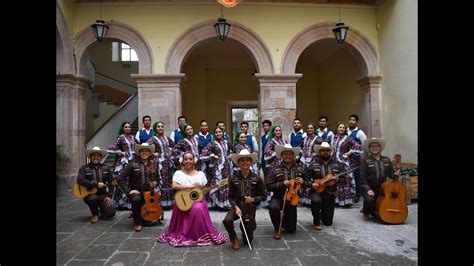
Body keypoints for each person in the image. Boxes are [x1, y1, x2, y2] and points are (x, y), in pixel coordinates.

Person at [157, 152, 227, 247]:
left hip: (197, 200)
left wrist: (214, 187)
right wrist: (191, 186)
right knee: (193, 207)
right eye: (186, 159)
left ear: (194, 161)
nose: (188, 161)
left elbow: (202, 191)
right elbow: (174, 186)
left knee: (198, 208)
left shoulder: (201, 174)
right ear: (182, 161)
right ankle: (186, 233)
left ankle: (198, 234)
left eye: (190, 159)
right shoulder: (179, 173)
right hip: (183, 200)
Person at [223, 149, 266, 250]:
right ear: (238, 162)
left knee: (247, 241)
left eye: (247, 160)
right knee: (227, 220)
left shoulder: (257, 178)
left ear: (251, 162)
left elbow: (264, 196)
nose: (245, 162)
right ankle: (234, 238)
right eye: (242, 160)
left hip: (250, 208)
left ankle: (246, 230)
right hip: (238, 206)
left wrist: (253, 199)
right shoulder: (233, 178)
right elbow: (230, 197)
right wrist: (235, 207)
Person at [266, 144, 304, 239]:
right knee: (273, 207)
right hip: (278, 197)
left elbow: (308, 182)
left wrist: (303, 182)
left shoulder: (299, 168)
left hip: (292, 199)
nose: (288, 156)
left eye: (290, 154)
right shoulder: (274, 168)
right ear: (281, 156)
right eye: (285, 154)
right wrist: (281, 183)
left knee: (291, 230)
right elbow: (268, 186)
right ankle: (276, 227)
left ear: (293, 156)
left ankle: (284, 219)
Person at [117, 143, 158, 232]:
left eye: (147, 151)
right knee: (136, 200)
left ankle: (136, 212)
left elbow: (157, 178)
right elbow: (120, 178)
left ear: (150, 153)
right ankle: (137, 223)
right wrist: (129, 191)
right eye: (142, 151)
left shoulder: (153, 165)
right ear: (139, 153)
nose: (145, 153)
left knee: (149, 220)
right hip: (136, 192)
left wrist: (155, 183)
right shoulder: (132, 164)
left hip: (148, 193)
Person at [304, 142, 345, 230]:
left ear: (330, 152)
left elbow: (345, 179)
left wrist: (338, 180)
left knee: (328, 222)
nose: (325, 152)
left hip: (330, 192)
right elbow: (305, 179)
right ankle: (316, 220)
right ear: (319, 152)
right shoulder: (313, 165)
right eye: (323, 151)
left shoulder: (337, 165)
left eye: (327, 150)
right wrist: (311, 184)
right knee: (316, 201)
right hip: (316, 191)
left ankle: (324, 213)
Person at [360, 138, 400, 221]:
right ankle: (365, 211)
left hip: (382, 188)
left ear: (380, 148)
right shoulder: (366, 161)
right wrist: (368, 190)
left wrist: (395, 174)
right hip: (370, 188)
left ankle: (372, 208)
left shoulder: (386, 159)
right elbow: (362, 177)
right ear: (369, 148)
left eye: (376, 146)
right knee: (369, 200)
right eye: (372, 146)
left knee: (381, 211)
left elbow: (391, 174)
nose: (374, 148)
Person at [77, 146, 116, 223]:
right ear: (90, 157)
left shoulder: (106, 168)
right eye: (93, 155)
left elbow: (113, 182)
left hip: (102, 195)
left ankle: (101, 208)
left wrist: (109, 196)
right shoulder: (84, 168)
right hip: (89, 195)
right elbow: (80, 180)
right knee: (93, 199)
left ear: (100, 157)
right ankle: (95, 214)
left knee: (111, 213)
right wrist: (96, 184)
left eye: (98, 156)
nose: (95, 157)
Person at [200, 127, 233, 209]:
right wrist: (212, 155)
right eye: (216, 132)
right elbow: (204, 152)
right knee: (218, 182)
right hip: (217, 167)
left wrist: (229, 157)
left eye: (220, 132)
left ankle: (225, 202)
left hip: (226, 166)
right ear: (214, 134)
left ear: (223, 132)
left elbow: (231, 150)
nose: (218, 133)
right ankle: (217, 202)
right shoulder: (212, 143)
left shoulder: (226, 142)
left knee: (225, 183)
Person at [331, 122, 362, 207]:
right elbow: (324, 145)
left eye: (343, 128)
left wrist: (349, 152)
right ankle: (334, 200)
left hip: (342, 162)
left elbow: (357, 145)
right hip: (332, 161)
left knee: (343, 180)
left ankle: (344, 201)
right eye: (340, 127)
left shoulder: (347, 138)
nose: (341, 129)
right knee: (333, 180)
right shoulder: (331, 137)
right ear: (337, 128)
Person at [107, 121, 137, 209]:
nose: (128, 128)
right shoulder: (121, 137)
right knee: (123, 180)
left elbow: (139, 146)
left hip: (133, 160)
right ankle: (121, 202)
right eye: (126, 127)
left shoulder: (133, 137)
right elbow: (112, 147)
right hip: (124, 161)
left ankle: (130, 202)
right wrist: (121, 152)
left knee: (131, 180)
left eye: (129, 127)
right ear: (123, 128)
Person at [147, 121, 176, 208]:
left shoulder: (166, 138)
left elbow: (175, 146)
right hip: (159, 163)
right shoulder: (153, 138)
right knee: (162, 180)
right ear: (155, 128)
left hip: (167, 162)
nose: (160, 128)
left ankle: (169, 202)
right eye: (158, 126)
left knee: (168, 180)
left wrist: (171, 151)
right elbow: (145, 147)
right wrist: (153, 153)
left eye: (162, 126)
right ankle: (161, 202)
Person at [298, 122, 322, 205]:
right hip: (304, 161)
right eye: (308, 128)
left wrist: (317, 153)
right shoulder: (304, 138)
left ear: (314, 129)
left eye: (311, 128)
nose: (310, 130)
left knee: (312, 177)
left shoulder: (318, 138)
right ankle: (304, 198)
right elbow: (299, 147)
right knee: (305, 177)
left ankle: (312, 198)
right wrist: (301, 151)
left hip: (313, 161)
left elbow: (323, 148)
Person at [347, 114, 367, 203]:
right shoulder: (345, 131)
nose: (351, 121)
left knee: (356, 176)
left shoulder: (359, 132)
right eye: (350, 120)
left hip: (355, 158)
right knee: (347, 176)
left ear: (356, 122)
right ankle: (348, 194)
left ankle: (358, 195)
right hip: (344, 158)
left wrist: (358, 153)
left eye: (353, 120)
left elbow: (365, 144)